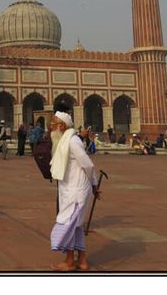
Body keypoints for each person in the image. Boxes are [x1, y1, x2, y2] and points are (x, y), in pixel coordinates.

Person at [48, 112, 99, 271]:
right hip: (70, 187)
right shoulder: (64, 140)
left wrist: (94, 184)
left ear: (62, 126)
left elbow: (87, 164)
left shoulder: (72, 141)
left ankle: (69, 262)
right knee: (76, 226)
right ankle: (82, 261)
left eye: (54, 123)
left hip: (76, 189)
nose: (51, 126)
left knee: (66, 223)